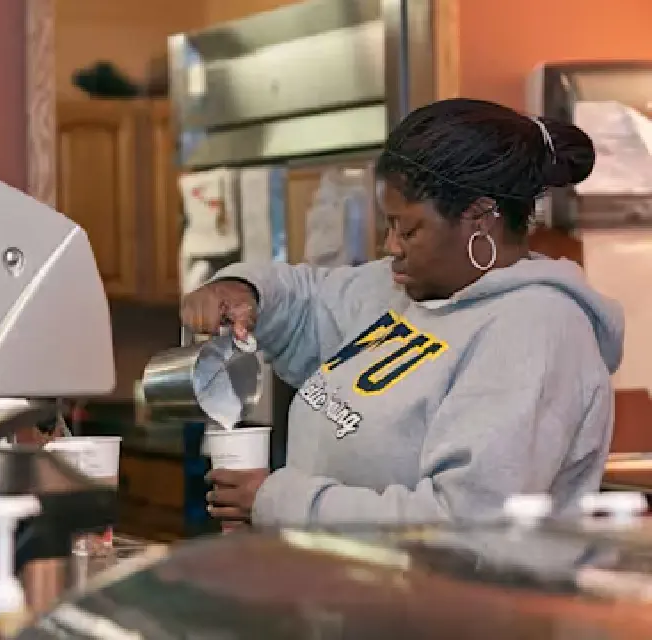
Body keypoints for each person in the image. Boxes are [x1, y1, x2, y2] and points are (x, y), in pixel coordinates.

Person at [182, 98, 624, 528]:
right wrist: (241, 291)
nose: (392, 247)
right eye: (389, 225)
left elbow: (466, 524)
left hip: (458, 604)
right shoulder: (402, 288)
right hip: (356, 592)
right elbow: (306, 300)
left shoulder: (536, 332)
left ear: (480, 217)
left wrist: (280, 502)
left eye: (408, 229)